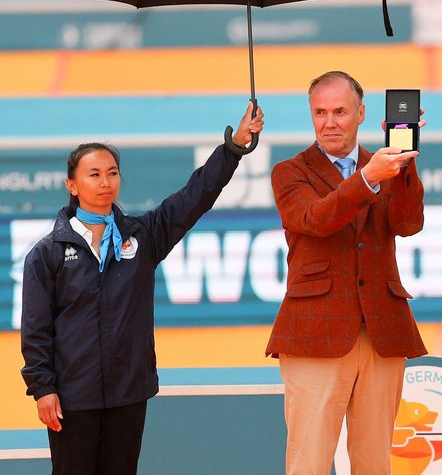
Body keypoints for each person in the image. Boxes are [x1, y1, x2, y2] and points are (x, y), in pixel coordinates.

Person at [20, 103, 264, 475]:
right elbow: (36, 331)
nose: (105, 182)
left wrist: (233, 148)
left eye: (112, 173)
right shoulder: (46, 254)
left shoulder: (143, 236)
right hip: (72, 397)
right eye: (94, 174)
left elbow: (193, 198)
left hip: (128, 394)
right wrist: (43, 389)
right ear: (72, 184)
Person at [265, 70, 427, 475]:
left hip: (381, 333)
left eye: (340, 111)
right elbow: (315, 219)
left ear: (361, 114)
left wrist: (404, 164)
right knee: (309, 462)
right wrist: (367, 180)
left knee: (375, 464)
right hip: (314, 333)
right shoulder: (290, 171)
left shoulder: (384, 165)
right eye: (320, 112)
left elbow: (408, 224)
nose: (329, 122)